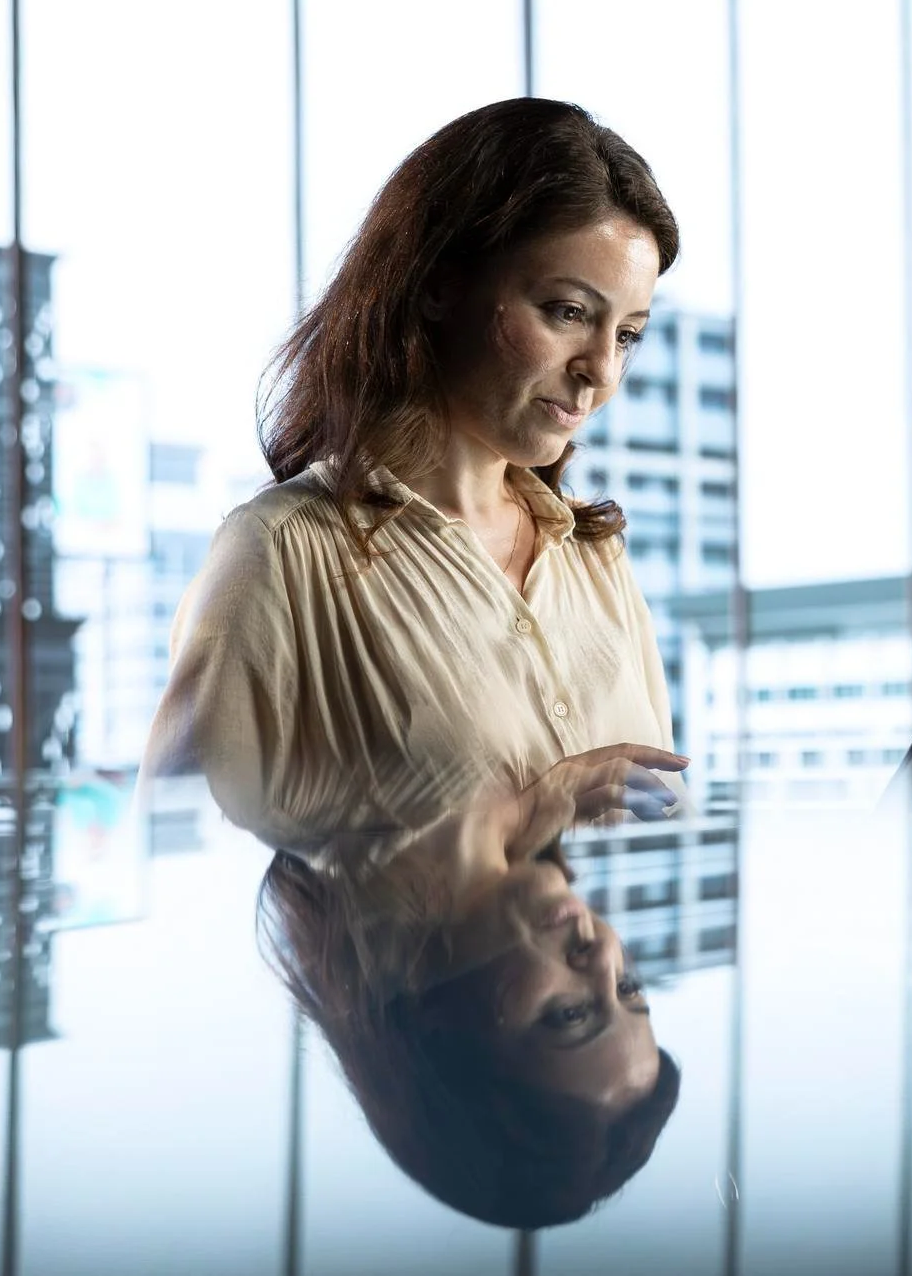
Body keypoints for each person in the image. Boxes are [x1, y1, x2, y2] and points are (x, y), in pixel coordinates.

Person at [142, 97, 691, 1227]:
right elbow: (175, 874)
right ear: (439, 280)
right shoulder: (284, 555)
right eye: (565, 312)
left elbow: (641, 828)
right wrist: (515, 810)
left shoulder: (594, 562)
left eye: (625, 333)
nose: (598, 376)